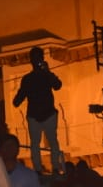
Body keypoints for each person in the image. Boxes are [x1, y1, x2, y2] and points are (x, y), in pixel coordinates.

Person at [12, 46, 64, 174]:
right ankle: (49, 168)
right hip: (42, 114)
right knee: (47, 142)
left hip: (40, 114)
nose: (36, 61)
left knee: (41, 142)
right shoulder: (32, 78)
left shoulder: (33, 78)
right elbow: (57, 85)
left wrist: (47, 72)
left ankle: (44, 168)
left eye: (38, 58)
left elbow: (57, 85)